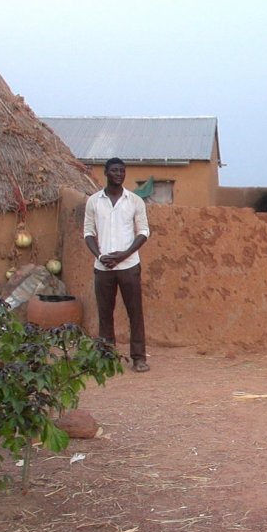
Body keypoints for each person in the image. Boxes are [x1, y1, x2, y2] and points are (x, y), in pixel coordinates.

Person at [84, 158, 152, 373]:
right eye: (114, 170)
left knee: (135, 313)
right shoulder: (94, 201)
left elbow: (143, 232)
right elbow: (88, 233)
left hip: (129, 266)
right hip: (103, 268)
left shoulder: (134, 201)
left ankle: (139, 358)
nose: (119, 174)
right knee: (105, 314)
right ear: (105, 172)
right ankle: (107, 358)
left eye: (122, 171)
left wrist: (124, 255)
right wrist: (100, 255)